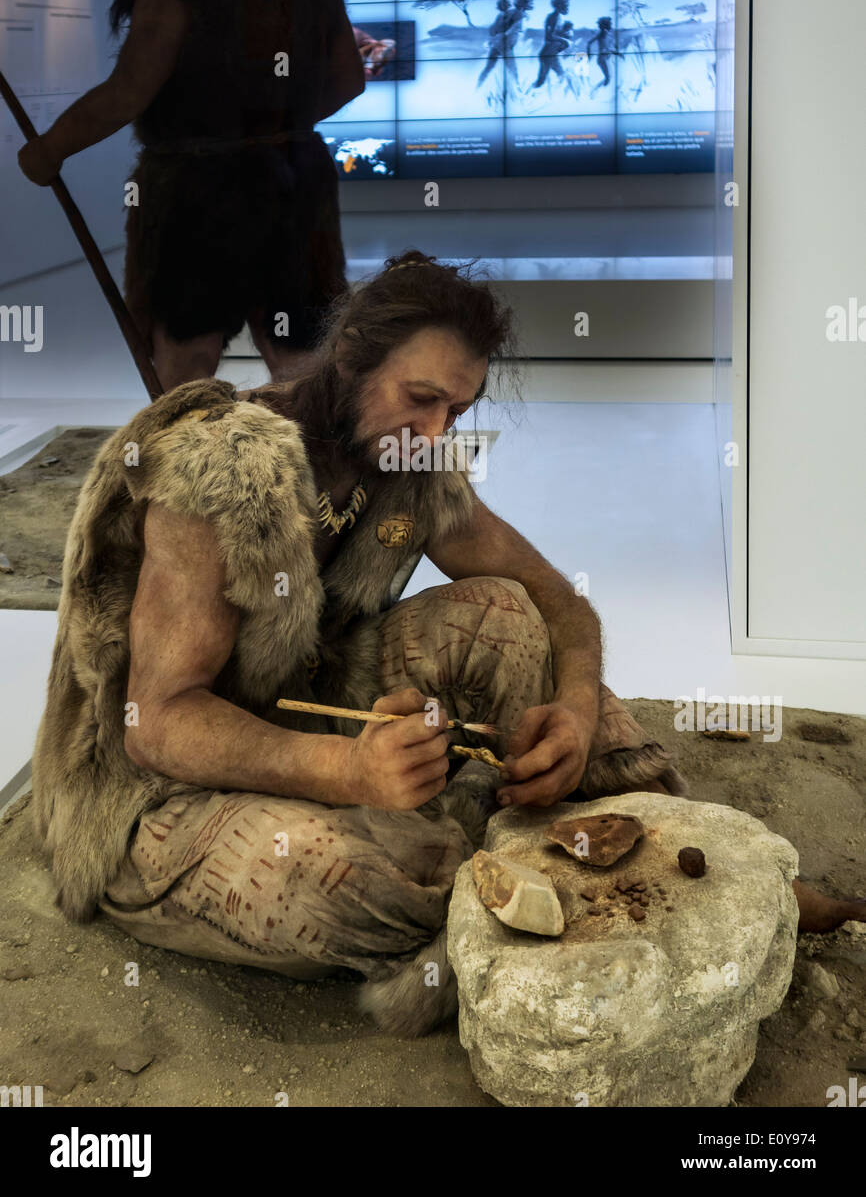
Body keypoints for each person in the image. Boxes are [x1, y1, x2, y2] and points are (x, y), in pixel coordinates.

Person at [30, 252, 865, 1037]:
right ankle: (518, 889)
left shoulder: (405, 462)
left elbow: (560, 601)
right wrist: (347, 771)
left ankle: (683, 858)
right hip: (148, 793)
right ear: (352, 357)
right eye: (419, 398)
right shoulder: (223, 470)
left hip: (310, 698)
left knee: (504, 612)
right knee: (340, 876)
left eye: (456, 411)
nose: (434, 432)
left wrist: (573, 718)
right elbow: (158, 722)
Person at [17, 0, 364, 390]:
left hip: (197, 199)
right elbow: (349, 80)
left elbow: (128, 92)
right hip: (296, 185)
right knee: (302, 359)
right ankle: (312, 471)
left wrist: (48, 151)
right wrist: (276, 127)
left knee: (186, 361)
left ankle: (191, 472)